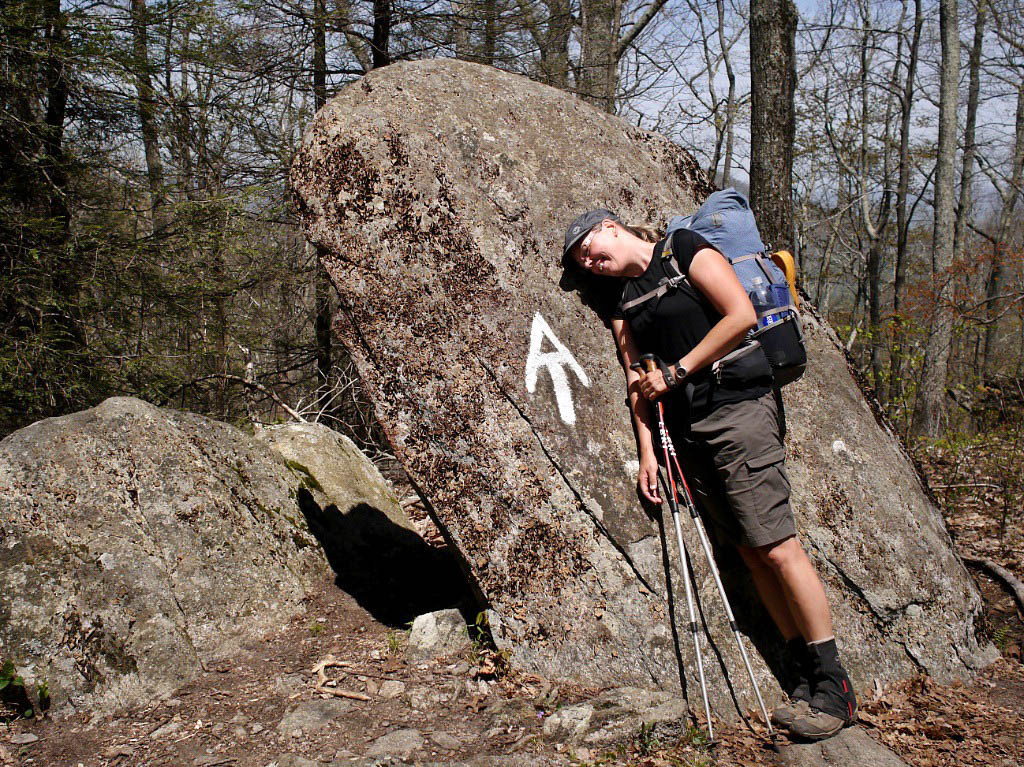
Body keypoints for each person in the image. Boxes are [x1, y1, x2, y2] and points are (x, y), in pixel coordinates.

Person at [561, 208, 857, 741]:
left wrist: (678, 370)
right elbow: (637, 382)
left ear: (611, 226)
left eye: (588, 247)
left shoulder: (683, 248)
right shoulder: (622, 304)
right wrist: (648, 453)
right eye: (582, 262)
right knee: (748, 551)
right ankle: (803, 677)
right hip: (690, 430)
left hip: (739, 408)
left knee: (777, 545)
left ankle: (834, 684)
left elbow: (740, 314)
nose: (590, 261)